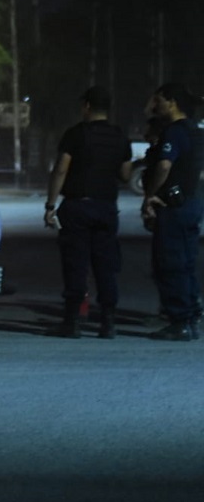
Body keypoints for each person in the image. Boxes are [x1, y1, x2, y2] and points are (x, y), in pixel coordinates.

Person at [42, 86, 132, 339]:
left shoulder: (75, 134)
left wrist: (50, 205)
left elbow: (60, 169)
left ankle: (71, 323)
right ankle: (108, 322)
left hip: (77, 206)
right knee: (106, 265)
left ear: (87, 106)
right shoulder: (119, 136)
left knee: (75, 265)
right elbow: (125, 175)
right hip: (106, 208)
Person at [140, 82, 204, 341]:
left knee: (169, 264)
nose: (156, 106)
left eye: (159, 100)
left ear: (172, 101)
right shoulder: (196, 131)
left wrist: (149, 196)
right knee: (186, 263)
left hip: (173, 207)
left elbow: (164, 166)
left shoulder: (174, 132)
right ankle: (191, 314)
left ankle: (179, 321)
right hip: (191, 203)